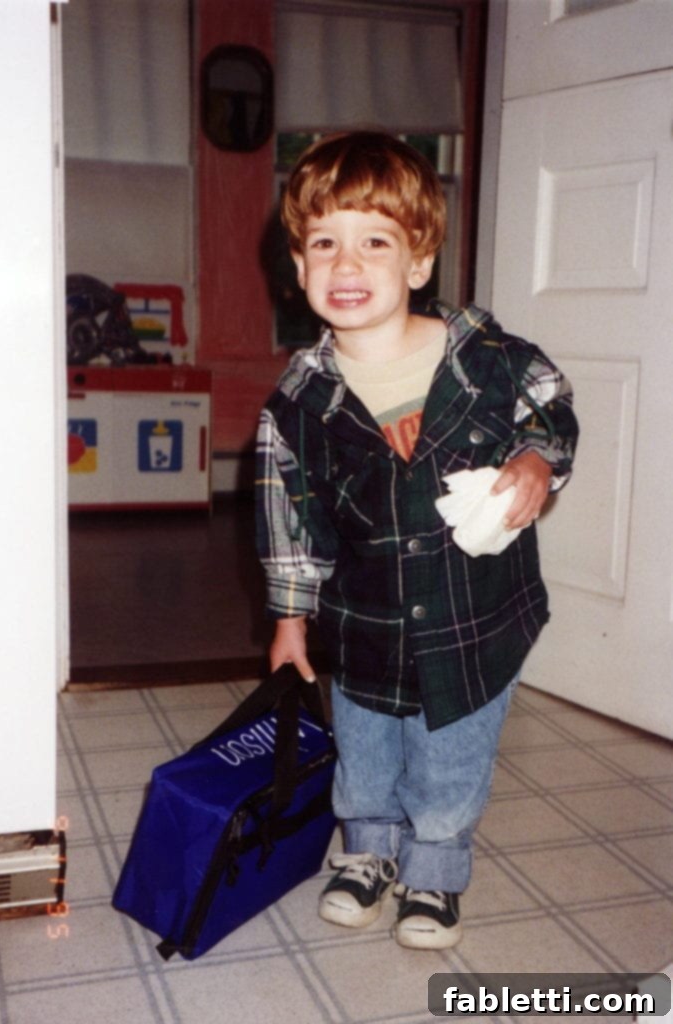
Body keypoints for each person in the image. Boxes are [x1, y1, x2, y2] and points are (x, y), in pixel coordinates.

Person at [255, 131, 578, 950]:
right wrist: (291, 620)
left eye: (375, 241)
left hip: (474, 619)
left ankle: (434, 867)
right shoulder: (296, 408)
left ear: (419, 262)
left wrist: (539, 458)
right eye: (324, 243)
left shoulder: (490, 361)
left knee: (449, 757)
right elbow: (289, 525)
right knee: (364, 752)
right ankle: (366, 852)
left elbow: (551, 404)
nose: (347, 264)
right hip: (363, 620)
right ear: (299, 268)